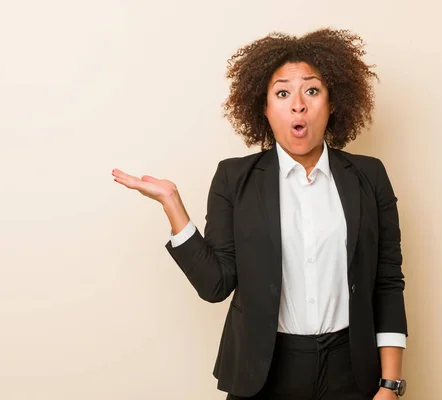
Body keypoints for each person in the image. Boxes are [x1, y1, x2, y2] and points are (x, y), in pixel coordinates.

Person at [112, 28, 408, 400]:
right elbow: (215, 285)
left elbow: (387, 281)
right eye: (282, 93)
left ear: (333, 103)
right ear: (264, 108)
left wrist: (391, 385)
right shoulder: (234, 178)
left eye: (312, 91)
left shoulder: (369, 175)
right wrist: (172, 204)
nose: (298, 105)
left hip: (352, 372)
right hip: (264, 374)